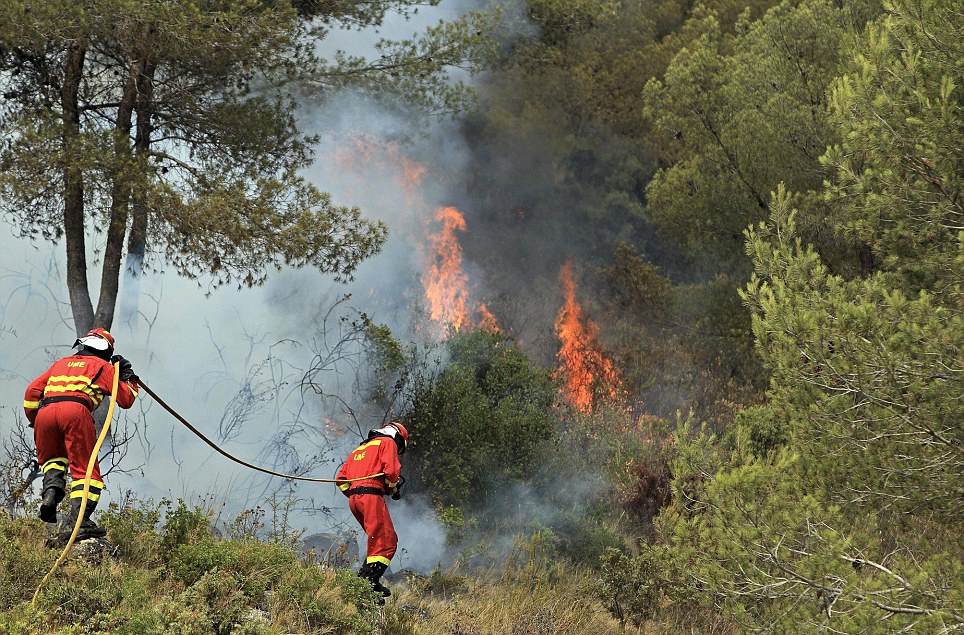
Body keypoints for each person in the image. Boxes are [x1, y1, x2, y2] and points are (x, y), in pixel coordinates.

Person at [23, 327, 139, 544]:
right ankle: (79, 520)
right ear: (105, 351)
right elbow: (126, 399)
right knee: (86, 471)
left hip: (45, 414)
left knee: (54, 461)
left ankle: (50, 495)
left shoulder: (60, 364)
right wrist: (128, 376)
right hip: (75, 412)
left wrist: (35, 419)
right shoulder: (103, 367)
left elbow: (31, 392)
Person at [335, 421, 409, 599]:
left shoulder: (359, 450)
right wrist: (392, 489)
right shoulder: (387, 442)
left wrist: (356, 495)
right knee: (387, 541)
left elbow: (340, 480)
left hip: (355, 500)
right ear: (398, 437)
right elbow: (391, 472)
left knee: (377, 539)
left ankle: (364, 580)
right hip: (371, 497)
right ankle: (367, 583)